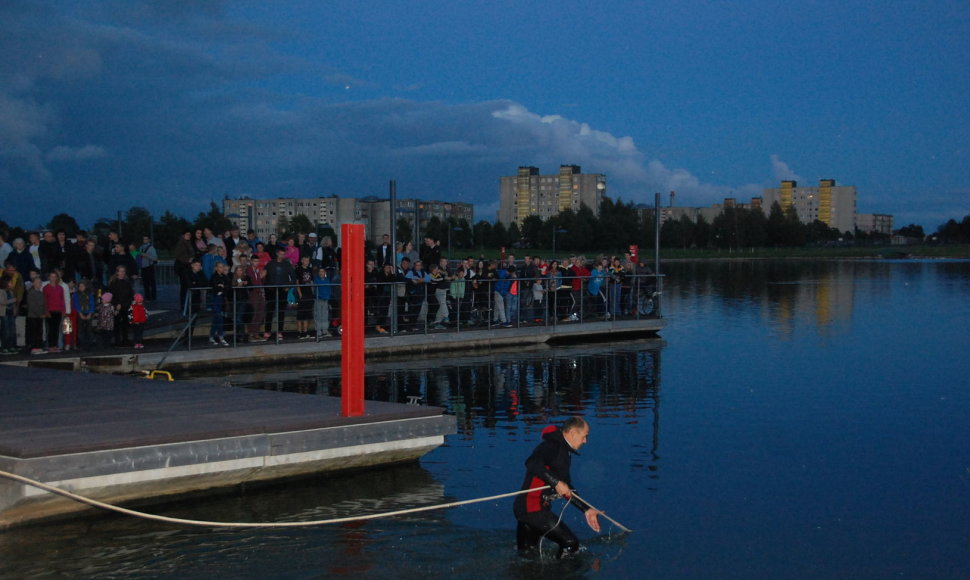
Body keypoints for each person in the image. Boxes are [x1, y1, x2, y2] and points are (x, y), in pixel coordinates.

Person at [513, 417, 601, 558]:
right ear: (572, 433)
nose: (585, 441)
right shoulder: (552, 446)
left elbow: (566, 488)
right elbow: (532, 463)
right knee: (570, 543)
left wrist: (586, 509)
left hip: (527, 509)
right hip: (532, 508)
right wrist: (556, 483)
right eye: (584, 436)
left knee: (527, 556)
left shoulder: (563, 451)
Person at [138, 235, 158, 301]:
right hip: (143, 267)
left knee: (152, 283)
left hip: (149, 267)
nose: (145, 240)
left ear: (149, 240)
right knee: (145, 283)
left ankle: (153, 296)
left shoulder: (151, 248)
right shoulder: (141, 247)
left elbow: (155, 258)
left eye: (146, 239)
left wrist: (147, 255)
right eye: (144, 239)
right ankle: (147, 296)